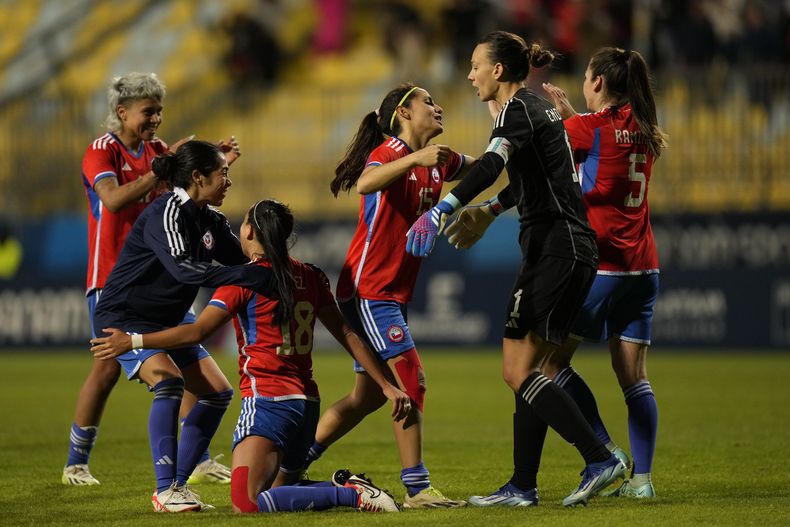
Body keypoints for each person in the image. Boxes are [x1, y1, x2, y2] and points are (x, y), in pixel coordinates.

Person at [406, 31, 626, 507]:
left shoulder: (519, 110)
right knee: (534, 368)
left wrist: (440, 209)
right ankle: (523, 486)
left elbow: (490, 165)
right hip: (567, 248)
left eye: (475, 65)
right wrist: (488, 211)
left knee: (517, 369)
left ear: (498, 70)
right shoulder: (534, 109)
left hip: (556, 250)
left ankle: (599, 458)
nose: (469, 75)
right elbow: (530, 180)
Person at [90, 199, 411, 513]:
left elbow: (197, 332)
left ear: (248, 231)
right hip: (307, 405)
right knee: (277, 494)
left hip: (268, 403)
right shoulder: (312, 276)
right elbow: (347, 333)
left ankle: (353, 496)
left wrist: (132, 341)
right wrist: (385, 384)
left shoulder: (244, 281)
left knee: (247, 502)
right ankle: (350, 489)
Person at [304, 83, 474, 509]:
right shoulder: (391, 152)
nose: (438, 107)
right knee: (410, 378)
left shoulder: (439, 163)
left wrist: (514, 138)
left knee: (368, 397)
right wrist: (415, 157)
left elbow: (485, 165)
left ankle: (294, 459)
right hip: (367, 290)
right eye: (428, 102)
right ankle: (417, 488)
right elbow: (365, 183)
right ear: (403, 112)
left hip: (388, 293)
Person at [64, 72, 238, 487]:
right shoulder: (101, 151)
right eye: (148, 110)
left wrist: (216, 165)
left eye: (159, 110)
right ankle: (76, 461)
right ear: (121, 113)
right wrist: (156, 174)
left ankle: (190, 460)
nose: (156, 118)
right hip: (114, 279)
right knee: (107, 370)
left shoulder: (160, 152)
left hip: (166, 276)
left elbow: (187, 190)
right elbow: (112, 199)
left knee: (189, 355)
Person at [90, 140, 276, 512]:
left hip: (169, 315)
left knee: (217, 393)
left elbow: (241, 258)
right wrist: (252, 276)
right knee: (170, 382)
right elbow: (184, 269)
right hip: (126, 317)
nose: (229, 181)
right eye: (223, 173)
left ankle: (176, 485)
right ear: (197, 177)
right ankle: (164, 490)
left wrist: (269, 262)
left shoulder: (210, 220)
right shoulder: (168, 212)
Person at [539, 47, 668, 499]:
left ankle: (606, 452)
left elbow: (558, 152)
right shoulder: (644, 127)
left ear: (596, 83)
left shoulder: (585, 129)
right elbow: (606, 150)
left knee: (548, 365)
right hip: (644, 268)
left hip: (603, 268)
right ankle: (643, 480)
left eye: (587, 76)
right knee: (634, 378)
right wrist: (574, 115)